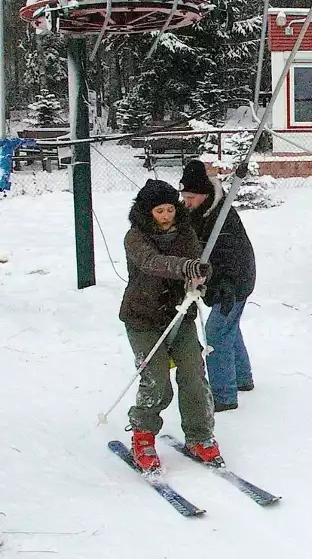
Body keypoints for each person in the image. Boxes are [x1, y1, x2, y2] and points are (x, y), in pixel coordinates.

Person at [119, 178, 222, 471]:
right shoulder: (135, 238)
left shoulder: (185, 232)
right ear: (146, 212)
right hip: (143, 318)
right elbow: (153, 263)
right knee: (157, 380)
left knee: (193, 374)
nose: (165, 217)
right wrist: (185, 268)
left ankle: (200, 436)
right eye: (158, 212)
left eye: (169, 210)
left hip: (180, 314)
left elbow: (197, 262)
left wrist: (201, 276)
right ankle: (142, 436)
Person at [179, 160, 256, 412]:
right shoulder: (198, 212)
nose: (186, 201)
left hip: (234, 281)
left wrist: (226, 284)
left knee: (216, 332)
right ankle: (243, 379)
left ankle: (223, 395)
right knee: (228, 327)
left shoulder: (221, 216)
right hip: (221, 280)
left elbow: (233, 255)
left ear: (204, 194)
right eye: (184, 196)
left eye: (191, 197)